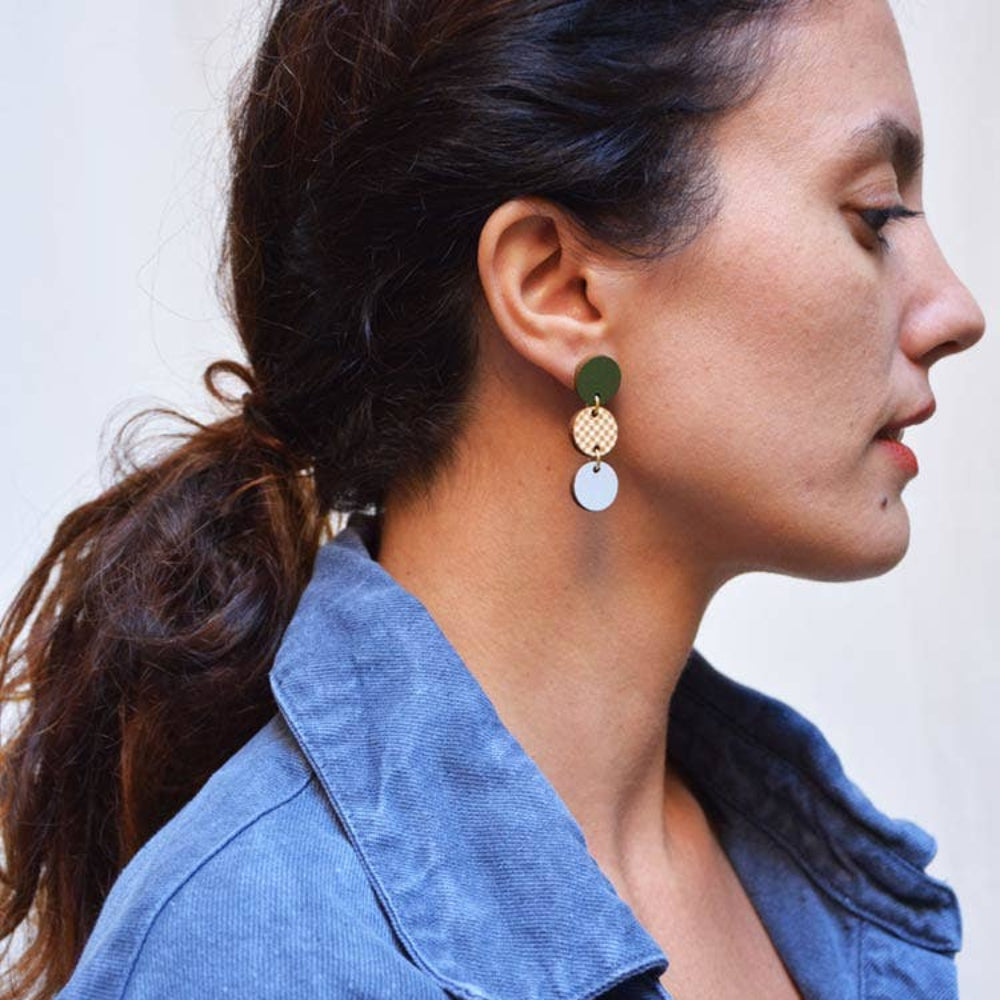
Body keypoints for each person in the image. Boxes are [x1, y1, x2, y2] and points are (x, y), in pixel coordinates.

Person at [0, 0, 985, 997]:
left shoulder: (823, 883)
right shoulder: (252, 952)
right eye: (875, 214)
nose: (956, 308)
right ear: (560, 288)